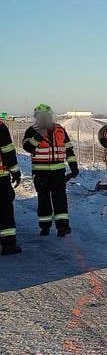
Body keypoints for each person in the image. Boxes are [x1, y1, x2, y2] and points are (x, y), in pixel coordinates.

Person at [22, 104, 78, 237]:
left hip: (58, 172)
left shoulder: (59, 130)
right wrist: (39, 136)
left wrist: (74, 166)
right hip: (40, 173)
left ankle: (63, 227)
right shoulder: (32, 130)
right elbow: (28, 147)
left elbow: (68, 149)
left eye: (46, 116)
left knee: (60, 200)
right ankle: (45, 227)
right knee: (43, 200)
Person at [0, 119, 22, 254]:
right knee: (4, 210)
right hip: (1, 178)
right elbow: (7, 151)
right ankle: (8, 245)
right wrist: (15, 172)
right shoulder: (0, 126)